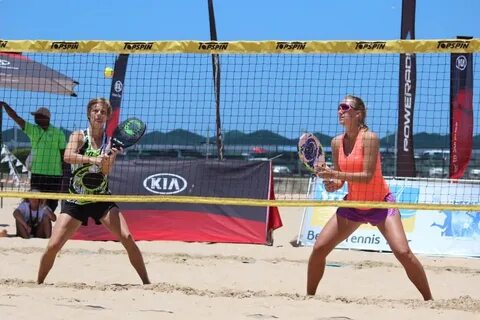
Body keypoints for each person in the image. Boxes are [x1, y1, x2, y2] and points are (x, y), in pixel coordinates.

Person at [307, 95, 433, 301]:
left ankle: (429, 300)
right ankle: (309, 298)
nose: (340, 110)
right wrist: (332, 184)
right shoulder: (336, 142)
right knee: (319, 249)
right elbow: (340, 181)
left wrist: (335, 175)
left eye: (345, 107)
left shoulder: (370, 138)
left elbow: (366, 177)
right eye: (339, 107)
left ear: (358, 114)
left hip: (380, 204)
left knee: (403, 253)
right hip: (354, 205)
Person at [37, 97, 150, 285]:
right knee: (53, 245)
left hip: (101, 198)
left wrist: (107, 160)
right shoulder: (79, 136)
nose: (99, 114)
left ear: (107, 117)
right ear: (89, 114)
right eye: (95, 111)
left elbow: (106, 171)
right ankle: (38, 283)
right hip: (76, 200)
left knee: (127, 237)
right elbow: (67, 156)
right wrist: (93, 160)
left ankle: (147, 283)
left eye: (103, 112)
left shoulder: (110, 143)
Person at [0, 101, 67, 213]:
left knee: (50, 208)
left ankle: (46, 229)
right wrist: (5, 106)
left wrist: (65, 175)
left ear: (45, 118)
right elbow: (16, 118)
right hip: (38, 174)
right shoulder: (33, 129)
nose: (35, 118)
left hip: (55, 175)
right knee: (35, 206)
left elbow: (63, 154)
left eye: (37, 116)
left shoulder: (58, 133)